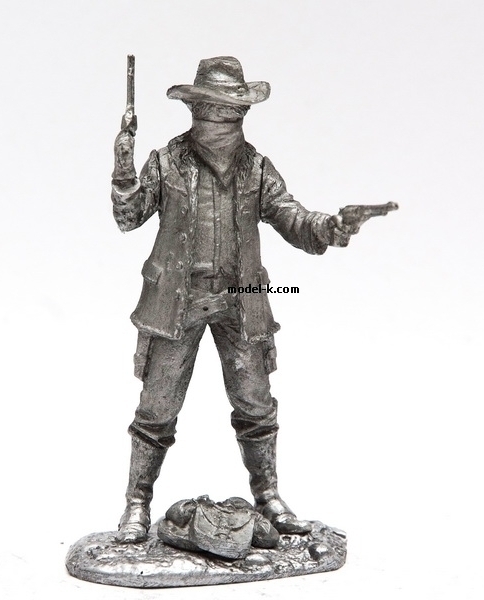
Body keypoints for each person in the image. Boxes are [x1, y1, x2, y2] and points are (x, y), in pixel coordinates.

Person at [111, 57, 376, 543]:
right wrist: (124, 164)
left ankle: (268, 496)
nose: (225, 120)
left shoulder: (256, 167)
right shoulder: (166, 162)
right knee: (157, 408)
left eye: (234, 111)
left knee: (256, 404)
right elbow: (128, 217)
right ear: (197, 110)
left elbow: (292, 218)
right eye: (217, 110)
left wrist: (331, 227)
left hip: (243, 301)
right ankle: (136, 503)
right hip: (175, 302)